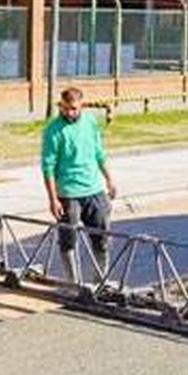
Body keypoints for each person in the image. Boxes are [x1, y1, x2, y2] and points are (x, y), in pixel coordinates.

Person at [41, 87, 117, 283]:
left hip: (93, 189)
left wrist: (109, 179)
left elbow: (99, 153)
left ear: (81, 106)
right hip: (68, 192)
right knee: (68, 239)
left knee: (102, 238)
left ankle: (100, 280)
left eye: (74, 109)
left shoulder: (90, 122)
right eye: (66, 109)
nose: (70, 113)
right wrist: (53, 199)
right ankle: (72, 282)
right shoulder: (53, 131)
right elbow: (48, 167)